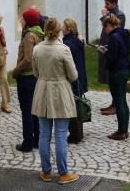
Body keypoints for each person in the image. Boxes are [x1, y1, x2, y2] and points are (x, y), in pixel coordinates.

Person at [32, 18, 80, 184]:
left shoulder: (37, 49)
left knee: (44, 134)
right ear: (60, 31)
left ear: (45, 30)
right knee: (60, 135)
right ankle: (63, 173)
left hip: (42, 90)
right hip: (59, 91)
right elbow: (73, 75)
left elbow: (35, 72)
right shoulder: (63, 49)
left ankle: (46, 171)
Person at [12, 9, 44, 152]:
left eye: (23, 19)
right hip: (36, 76)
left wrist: (15, 71)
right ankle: (37, 140)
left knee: (27, 111)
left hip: (26, 77)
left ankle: (28, 143)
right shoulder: (39, 34)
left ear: (28, 21)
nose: (21, 21)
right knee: (35, 110)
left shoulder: (29, 36)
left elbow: (27, 60)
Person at [101, 14, 130, 140]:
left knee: (118, 102)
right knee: (123, 101)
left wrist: (105, 52)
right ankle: (125, 130)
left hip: (116, 72)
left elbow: (112, 58)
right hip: (125, 69)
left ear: (110, 25)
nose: (105, 30)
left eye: (105, 27)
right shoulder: (125, 34)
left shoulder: (113, 37)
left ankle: (120, 132)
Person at [98, 0, 126, 116]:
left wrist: (105, 16)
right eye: (105, 4)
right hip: (106, 49)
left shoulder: (120, 15)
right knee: (109, 77)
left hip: (113, 51)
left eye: (107, 4)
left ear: (114, 4)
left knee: (114, 78)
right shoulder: (110, 14)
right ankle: (113, 103)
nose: (105, 6)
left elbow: (115, 30)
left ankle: (116, 105)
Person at [62, 18, 88, 144]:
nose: (61, 29)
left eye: (63, 27)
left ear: (68, 29)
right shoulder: (78, 40)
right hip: (79, 76)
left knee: (72, 107)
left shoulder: (69, 44)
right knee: (76, 105)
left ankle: (75, 135)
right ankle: (79, 133)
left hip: (73, 77)